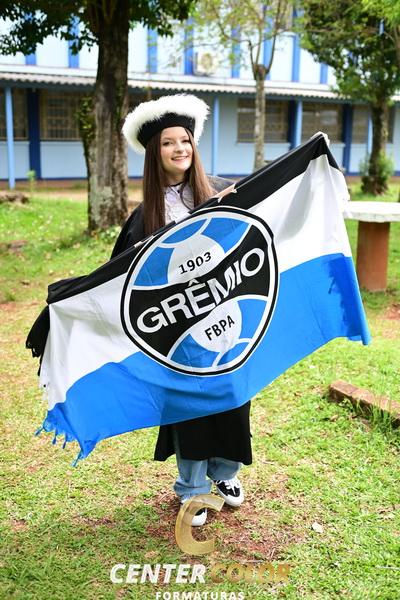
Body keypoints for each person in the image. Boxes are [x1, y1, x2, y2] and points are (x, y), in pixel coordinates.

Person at [111, 94, 252, 526]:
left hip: (227, 318)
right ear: (154, 153)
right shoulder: (145, 216)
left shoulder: (224, 192)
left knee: (233, 398)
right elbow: (122, 279)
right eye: (168, 142)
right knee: (190, 407)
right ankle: (191, 489)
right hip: (179, 331)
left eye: (185, 140)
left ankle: (224, 473)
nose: (179, 149)